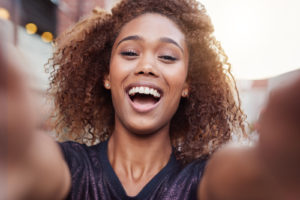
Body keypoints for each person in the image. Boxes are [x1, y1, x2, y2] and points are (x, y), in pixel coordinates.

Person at [2, 0, 300, 199]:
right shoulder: (65, 166)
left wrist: (278, 165)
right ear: (106, 75)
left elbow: (255, 178)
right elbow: (24, 164)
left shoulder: (208, 177)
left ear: (187, 84)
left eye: (168, 56)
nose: (146, 66)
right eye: (130, 53)